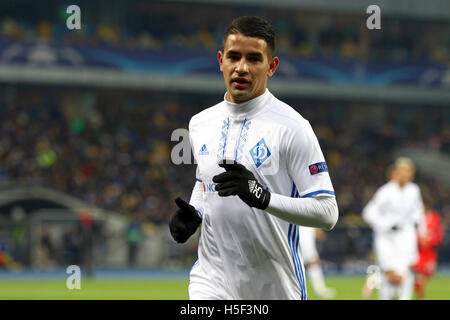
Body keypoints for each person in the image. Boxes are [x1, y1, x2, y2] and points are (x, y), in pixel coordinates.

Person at [169, 16, 338, 300]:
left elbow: (328, 213)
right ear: (221, 60)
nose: (242, 68)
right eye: (234, 57)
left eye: (254, 59)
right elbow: (204, 182)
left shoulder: (293, 127)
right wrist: (195, 212)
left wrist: (263, 197)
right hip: (212, 280)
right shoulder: (200, 123)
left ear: (271, 66)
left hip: (274, 287)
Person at [362, 157, 425, 300]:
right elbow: (368, 213)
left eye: (408, 171)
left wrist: (422, 230)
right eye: (402, 171)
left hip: (406, 236)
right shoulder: (386, 191)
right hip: (386, 238)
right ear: (395, 172)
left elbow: (418, 211)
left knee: (405, 275)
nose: (405, 174)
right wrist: (384, 224)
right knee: (389, 275)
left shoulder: (414, 190)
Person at [412, 190, 444, 299]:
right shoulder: (415, 217)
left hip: (429, 252)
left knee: (426, 275)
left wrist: (429, 240)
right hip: (415, 251)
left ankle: (419, 295)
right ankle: (420, 296)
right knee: (416, 276)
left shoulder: (434, 217)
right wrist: (418, 239)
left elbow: (439, 234)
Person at [298, 226, 336, 299]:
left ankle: (320, 290)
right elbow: (317, 230)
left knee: (311, 264)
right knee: (314, 263)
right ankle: (320, 290)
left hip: (299, 241)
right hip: (305, 242)